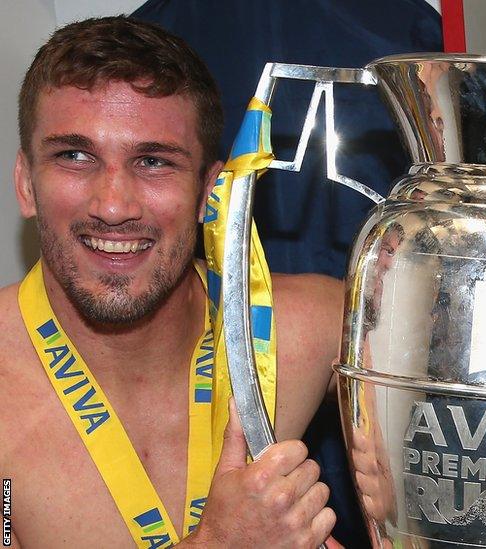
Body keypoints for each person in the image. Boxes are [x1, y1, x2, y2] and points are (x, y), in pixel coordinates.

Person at [0, 17, 345, 547]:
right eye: (74, 156)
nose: (113, 206)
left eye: (154, 161)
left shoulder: (311, 330)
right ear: (26, 184)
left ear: (211, 193)